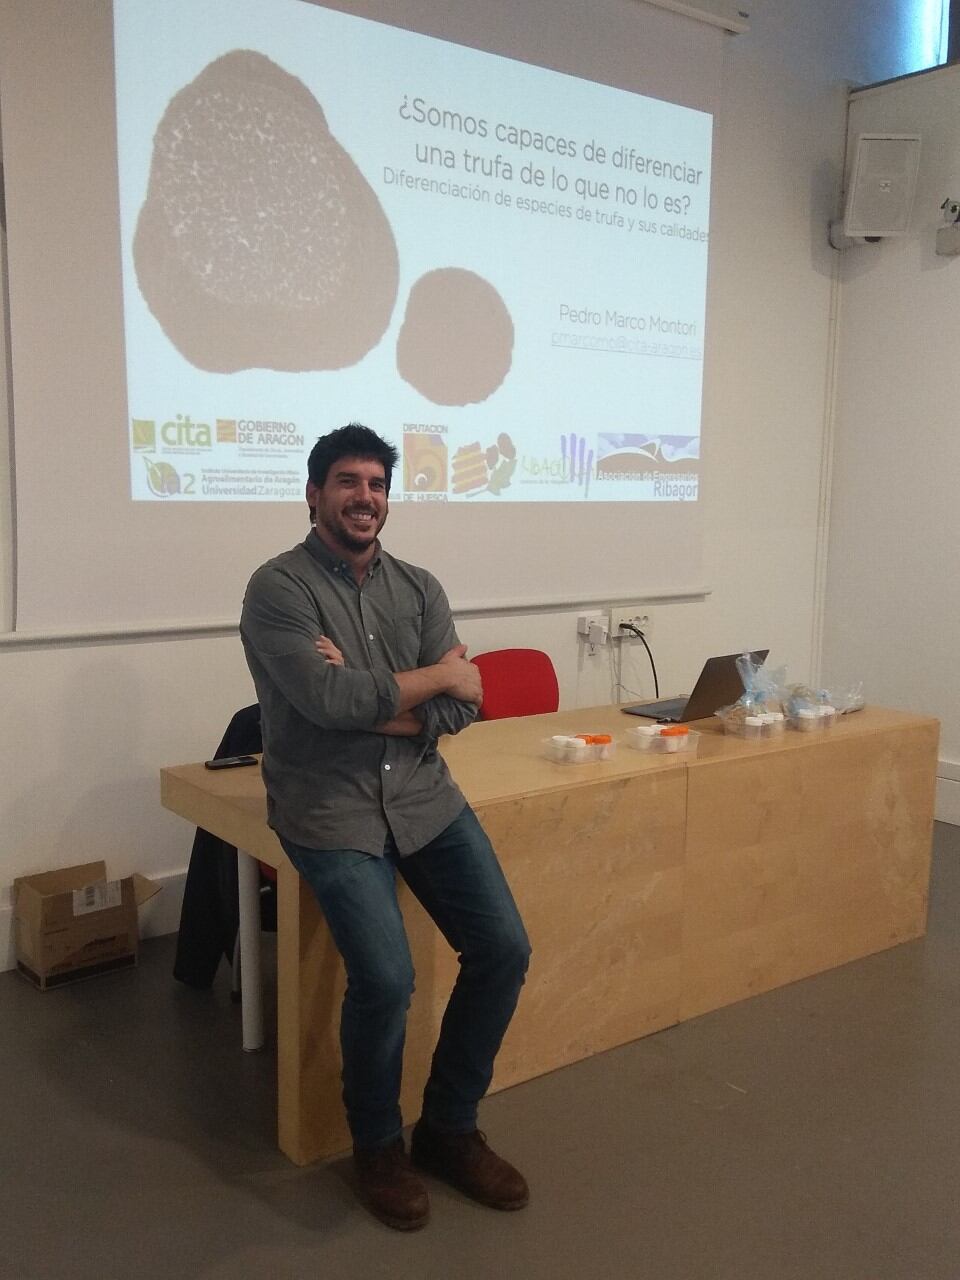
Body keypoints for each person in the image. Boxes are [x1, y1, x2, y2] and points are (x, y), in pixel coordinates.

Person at [240, 423, 532, 1231]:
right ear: (313, 494)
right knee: (387, 978)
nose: (363, 496)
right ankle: (377, 1145)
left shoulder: (420, 588)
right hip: (327, 808)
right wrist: (438, 675)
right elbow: (326, 701)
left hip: (424, 797)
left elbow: (461, 710)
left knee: (504, 950)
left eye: (375, 484)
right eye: (346, 481)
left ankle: (448, 1128)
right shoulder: (278, 589)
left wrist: (380, 697)